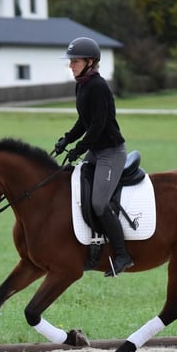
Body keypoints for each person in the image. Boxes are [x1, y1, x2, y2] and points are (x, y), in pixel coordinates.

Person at [55, 36, 134, 277]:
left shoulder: (98, 87)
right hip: (96, 150)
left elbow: (98, 125)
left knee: (99, 203)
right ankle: (92, 247)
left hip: (110, 152)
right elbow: (84, 120)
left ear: (91, 62)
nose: (71, 65)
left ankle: (122, 255)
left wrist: (79, 148)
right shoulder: (81, 84)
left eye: (75, 61)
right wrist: (66, 139)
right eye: (71, 61)